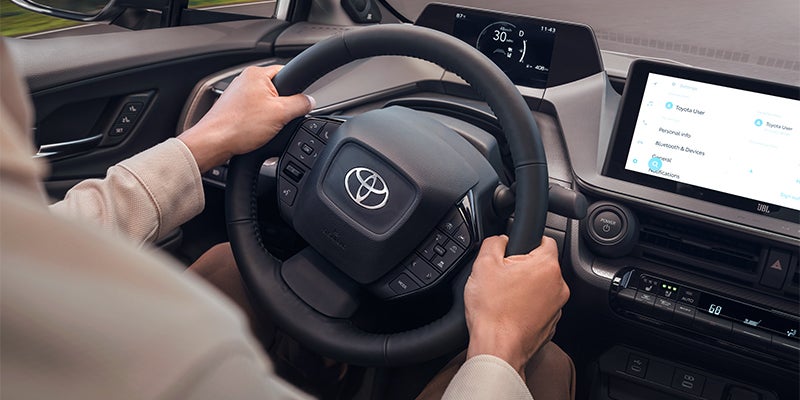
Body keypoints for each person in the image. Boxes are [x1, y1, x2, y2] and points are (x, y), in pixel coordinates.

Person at [0, 38, 573, 399]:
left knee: (233, 264)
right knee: (544, 367)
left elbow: (39, 238)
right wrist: (499, 344)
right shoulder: (179, 366)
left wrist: (206, 141)